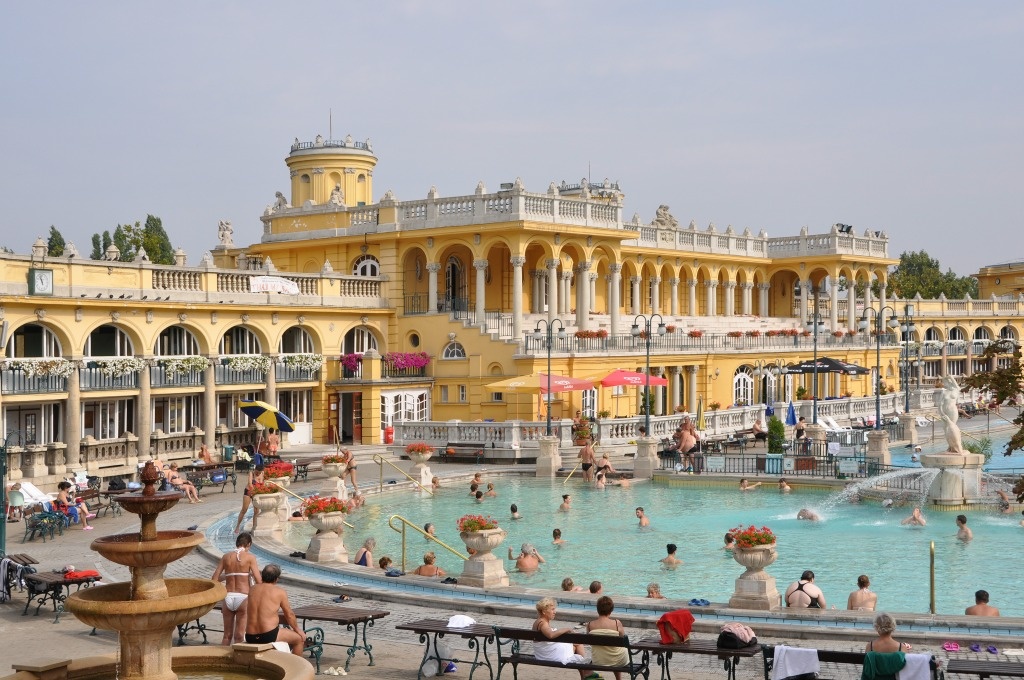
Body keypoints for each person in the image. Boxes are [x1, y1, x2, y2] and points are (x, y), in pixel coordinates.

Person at [212, 532, 261, 645]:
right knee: (239, 636)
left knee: (226, 636)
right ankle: (236, 661)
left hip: (227, 597)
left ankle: (222, 661)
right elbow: (259, 581)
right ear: (248, 544)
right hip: (243, 597)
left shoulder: (226, 557)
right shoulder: (250, 558)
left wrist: (229, 575)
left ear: (237, 543)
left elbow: (214, 578)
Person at [244, 564, 304, 655]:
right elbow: (289, 614)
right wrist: (297, 630)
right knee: (299, 640)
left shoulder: (252, 589)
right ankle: (296, 667)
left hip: (249, 636)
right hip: (268, 635)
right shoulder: (279, 592)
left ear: (262, 575)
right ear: (276, 579)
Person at [531, 598, 587, 673]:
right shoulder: (543, 623)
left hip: (544, 654)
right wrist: (567, 629)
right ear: (544, 611)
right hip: (550, 657)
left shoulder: (539, 621)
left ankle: (584, 672)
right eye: (552, 609)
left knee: (574, 645)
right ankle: (585, 673)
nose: (555, 612)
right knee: (578, 644)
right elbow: (551, 635)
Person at [587, 596, 628, 680]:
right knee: (616, 651)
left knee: (611, 651)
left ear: (598, 609)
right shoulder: (617, 623)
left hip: (598, 660)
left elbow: (590, 643)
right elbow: (623, 641)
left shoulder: (590, 625)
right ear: (611, 610)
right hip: (618, 660)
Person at [235, 464, 266, 533]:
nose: (258, 474)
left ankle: (254, 527)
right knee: (244, 509)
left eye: (259, 472)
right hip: (249, 492)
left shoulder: (263, 473)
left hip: (257, 493)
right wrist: (257, 491)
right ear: (255, 469)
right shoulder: (251, 473)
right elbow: (250, 484)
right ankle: (237, 526)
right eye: (257, 472)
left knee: (256, 511)